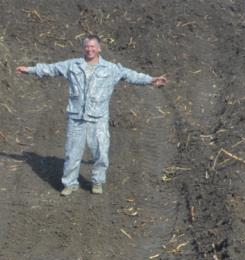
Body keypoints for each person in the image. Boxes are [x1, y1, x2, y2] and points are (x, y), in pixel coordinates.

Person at [16, 34, 167, 195]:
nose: (90, 49)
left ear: (99, 48)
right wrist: (29, 70)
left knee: (101, 153)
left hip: (98, 119)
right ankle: (70, 184)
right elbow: (51, 69)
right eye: (87, 46)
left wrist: (151, 80)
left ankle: (97, 182)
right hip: (77, 118)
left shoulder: (110, 69)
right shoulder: (72, 65)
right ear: (84, 48)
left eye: (93, 46)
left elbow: (131, 75)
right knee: (72, 153)